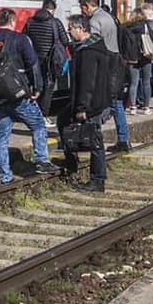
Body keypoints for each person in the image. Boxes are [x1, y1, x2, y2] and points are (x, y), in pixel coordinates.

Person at [0, 8, 57, 183]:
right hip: (20, 96)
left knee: (0, 139)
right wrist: (37, 88)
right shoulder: (21, 40)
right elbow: (33, 63)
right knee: (38, 126)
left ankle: (5, 176)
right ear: (13, 21)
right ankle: (42, 160)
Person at [59, 14, 112, 192]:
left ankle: (97, 180)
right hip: (96, 102)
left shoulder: (88, 52)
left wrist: (83, 108)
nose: (69, 32)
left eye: (70, 29)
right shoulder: (94, 47)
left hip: (91, 104)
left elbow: (87, 83)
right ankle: (73, 162)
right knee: (63, 120)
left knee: (95, 140)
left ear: (81, 29)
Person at [79, 0, 129, 151]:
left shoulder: (94, 20)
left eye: (83, 9)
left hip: (105, 63)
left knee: (104, 102)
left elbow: (93, 42)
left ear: (87, 6)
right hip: (116, 60)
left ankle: (95, 137)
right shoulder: (108, 16)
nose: (83, 13)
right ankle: (123, 138)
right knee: (117, 103)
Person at [22, 0, 70, 115]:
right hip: (50, 61)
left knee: (36, 86)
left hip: (33, 60)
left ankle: (33, 113)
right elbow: (65, 41)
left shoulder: (30, 21)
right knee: (48, 89)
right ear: (52, 10)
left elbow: (24, 38)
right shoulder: (55, 22)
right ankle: (43, 115)